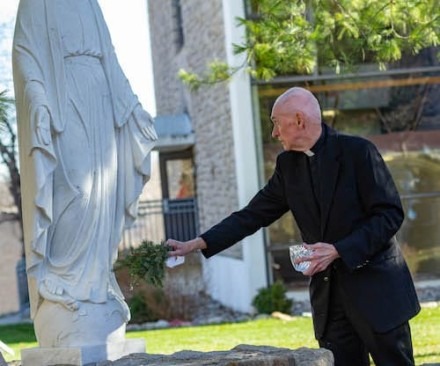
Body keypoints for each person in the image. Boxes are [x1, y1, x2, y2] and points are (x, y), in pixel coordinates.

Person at [167, 87, 421, 365]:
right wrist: (196, 243)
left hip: (378, 293)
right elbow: (252, 215)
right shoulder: (287, 165)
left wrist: (339, 249)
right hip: (330, 301)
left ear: (299, 120)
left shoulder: (359, 152)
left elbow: (389, 215)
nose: (274, 133)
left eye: (276, 122)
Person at [13, 0, 157, 342]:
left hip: (101, 100)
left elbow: (109, 56)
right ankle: (63, 281)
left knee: (102, 192)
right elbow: (24, 52)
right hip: (65, 99)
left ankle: (95, 282)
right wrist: (38, 97)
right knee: (76, 190)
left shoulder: (90, 4)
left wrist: (132, 105)